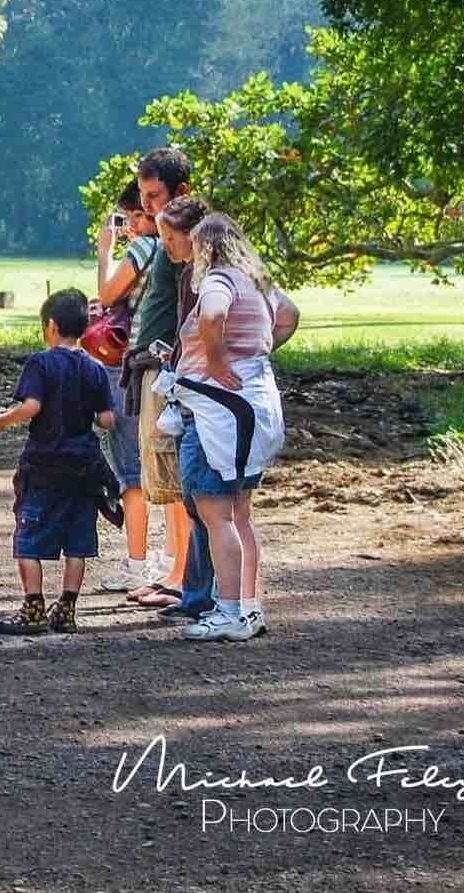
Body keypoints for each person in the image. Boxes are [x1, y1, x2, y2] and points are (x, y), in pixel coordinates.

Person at [160, 209, 291, 642]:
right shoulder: (257, 282)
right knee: (240, 514)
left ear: (206, 247)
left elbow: (212, 315)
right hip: (254, 406)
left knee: (217, 517)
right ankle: (249, 607)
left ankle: (229, 609)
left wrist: (217, 361)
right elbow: (289, 315)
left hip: (218, 414)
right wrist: (255, 353)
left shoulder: (218, 280)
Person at [0, 289, 120, 635]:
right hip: (84, 467)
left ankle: (33, 607)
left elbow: (32, 407)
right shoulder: (96, 369)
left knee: (28, 537)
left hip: (44, 464)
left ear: (52, 326)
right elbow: (106, 420)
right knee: (77, 540)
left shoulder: (41, 363)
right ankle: (67, 608)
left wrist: (0, 421)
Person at [124, 151, 215, 623]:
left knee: (176, 479)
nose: (149, 207)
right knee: (162, 478)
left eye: (155, 196)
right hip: (153, 368)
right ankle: (174, 569)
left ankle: (184, 575)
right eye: (143, 198)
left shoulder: (188, 243)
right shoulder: (167, 239)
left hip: (168, 371)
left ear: (181, 193)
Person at [93, 179, 158, 593]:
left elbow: (105, 295)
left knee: (130, 472)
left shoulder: (142, 249)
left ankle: (137, 564)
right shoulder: (171, 250)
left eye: (134, 216)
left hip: (126, 366)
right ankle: (164, 561)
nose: (131, 225)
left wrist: (104, 252)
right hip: (155, 366)